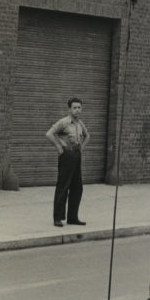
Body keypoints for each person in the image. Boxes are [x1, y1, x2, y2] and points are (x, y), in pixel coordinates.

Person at [45, 97, 90, 228]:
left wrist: (81, 148)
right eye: (75, 107)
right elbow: (49, 134)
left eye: (79, 107)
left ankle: (72, 217)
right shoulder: (64, 122)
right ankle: (58, 218)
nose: (77, 110)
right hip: (67, 156)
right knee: (63, 186)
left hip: (76, 155)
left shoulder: (80, 124)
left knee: (77, 188)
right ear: (69, 109)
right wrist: (59, 148)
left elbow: (87, 136)